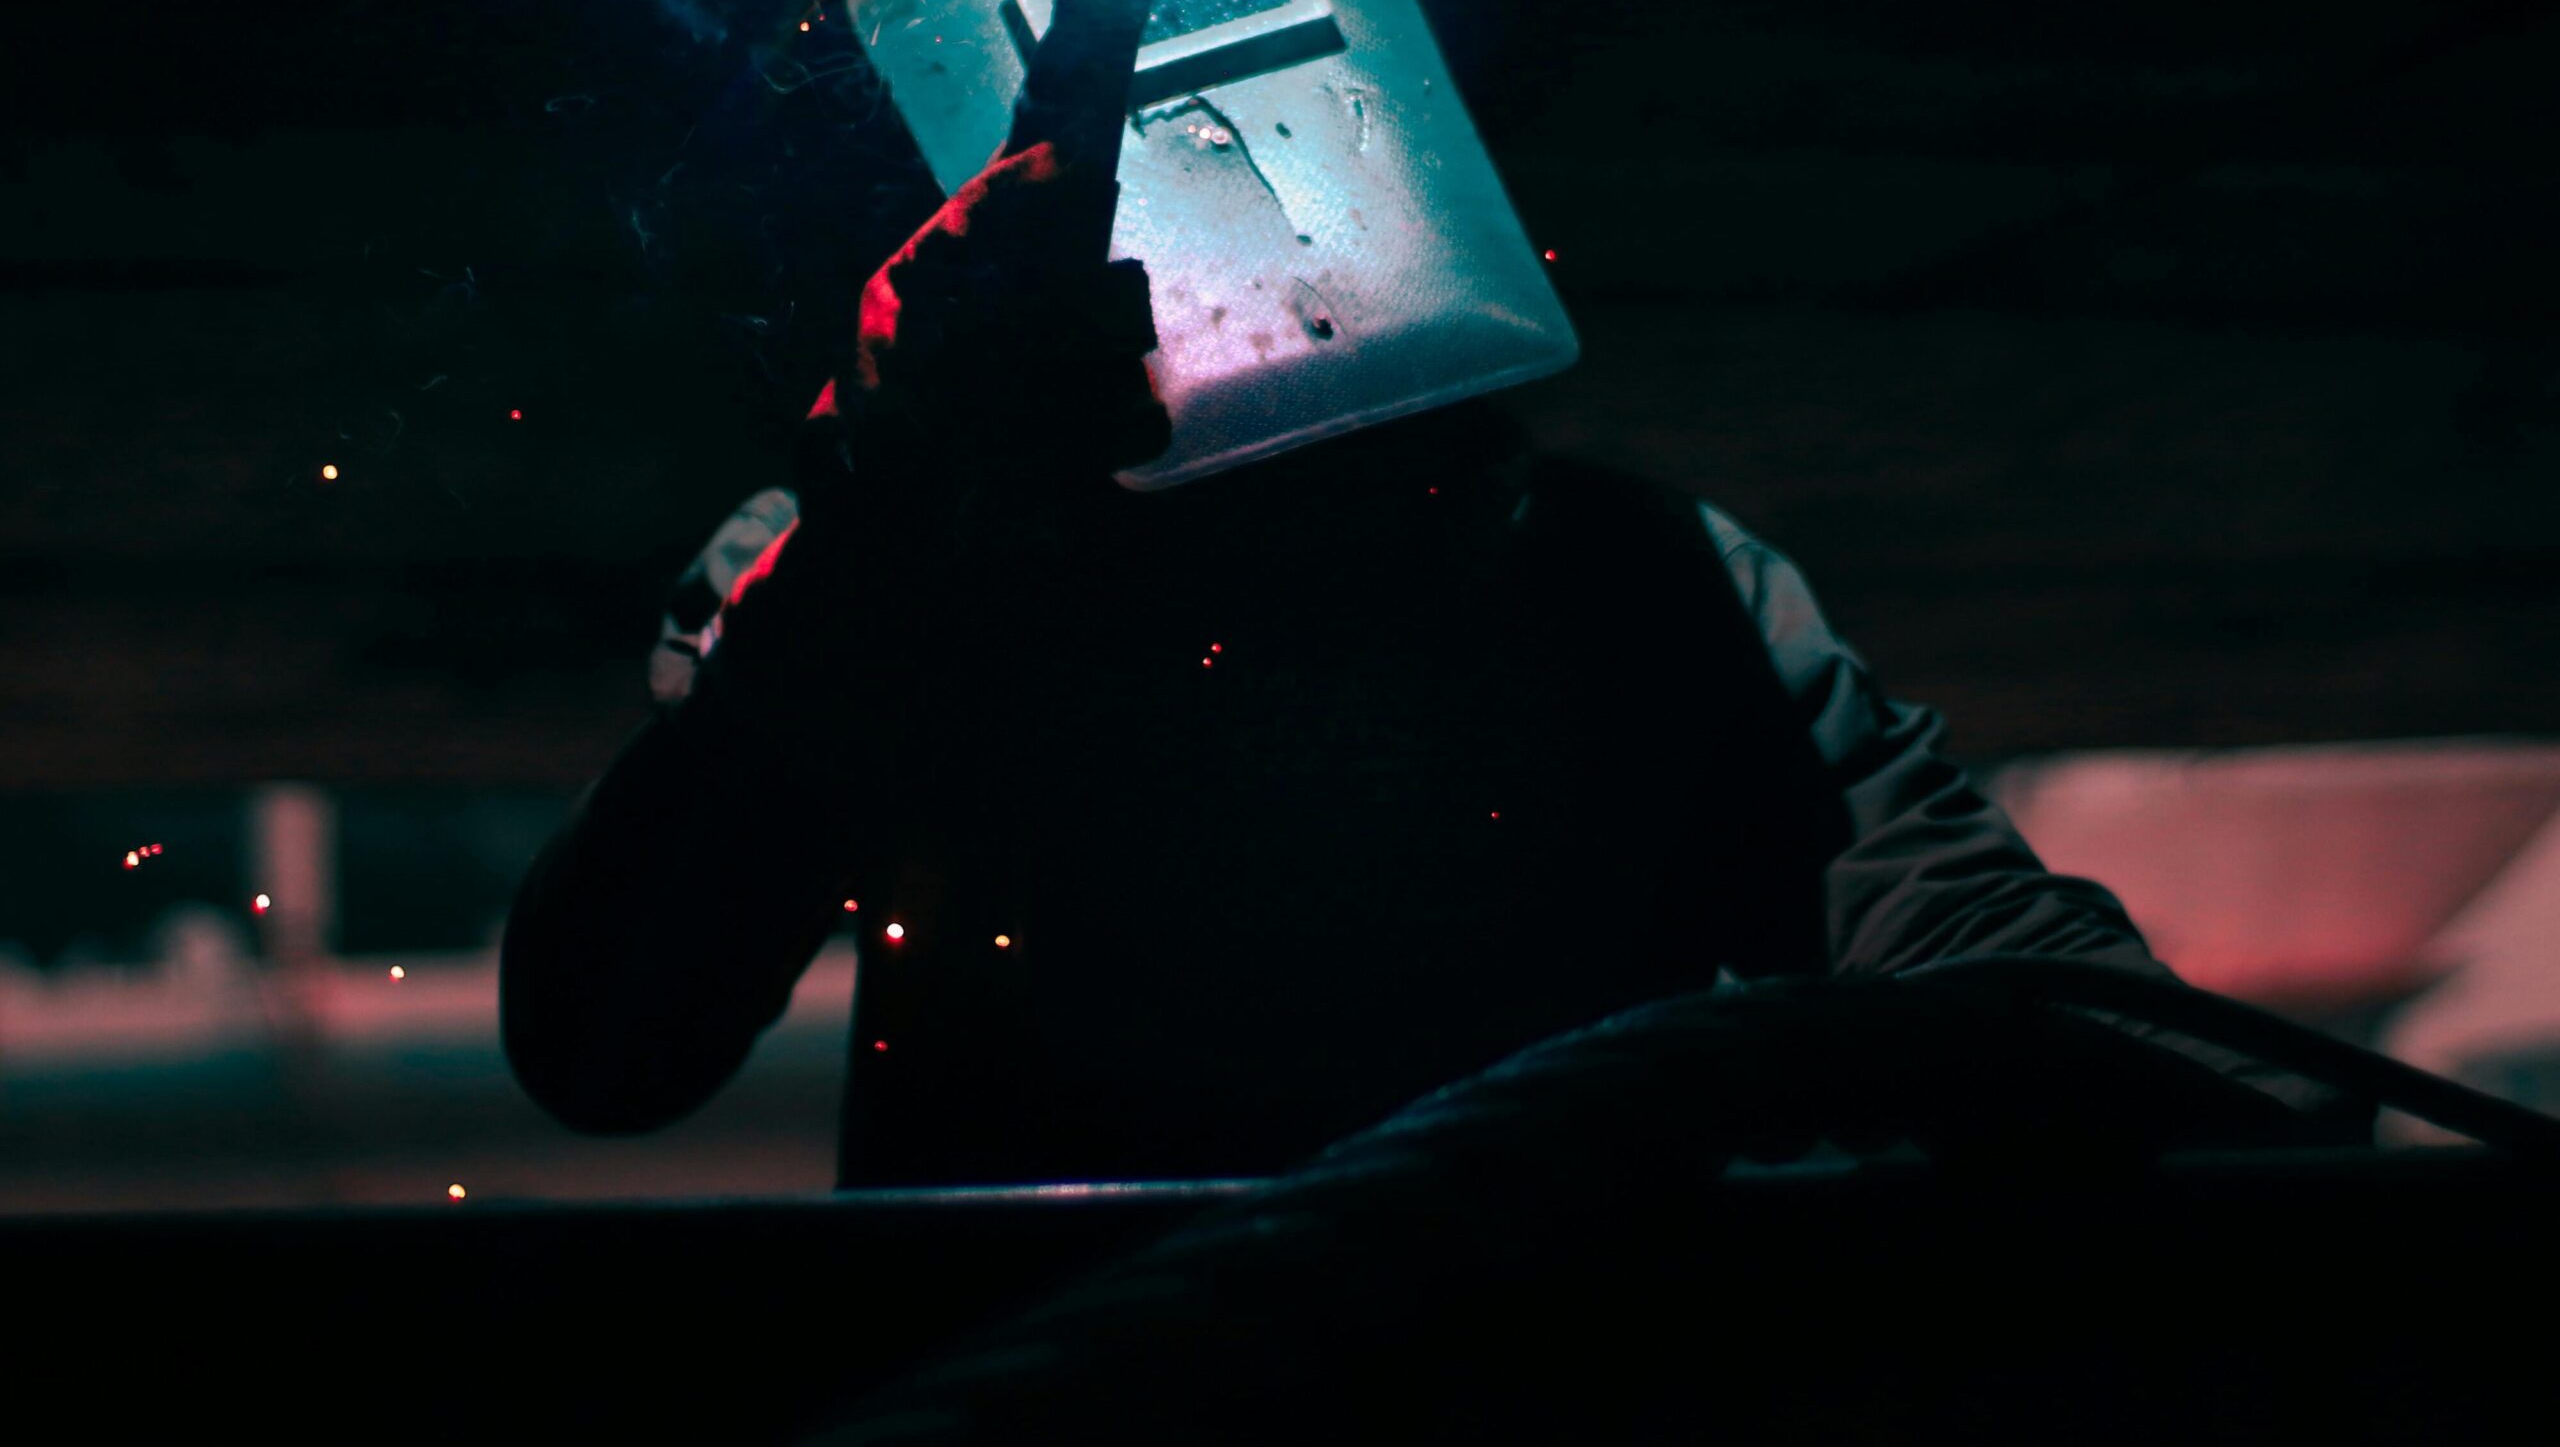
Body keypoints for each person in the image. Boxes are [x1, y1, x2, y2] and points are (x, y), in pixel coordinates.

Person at [502, 138, 2363, 1186]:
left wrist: (2251, 1128)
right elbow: (609, 1046)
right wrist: (894, 522)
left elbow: (1985, 951)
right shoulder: (858, 583)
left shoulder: (1628, 574)